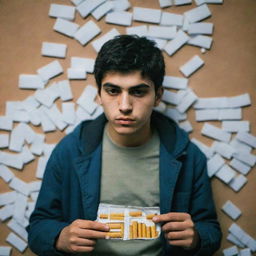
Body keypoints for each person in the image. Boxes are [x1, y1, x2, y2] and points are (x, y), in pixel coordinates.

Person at [27, 35, 222, 256]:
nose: (125, 106)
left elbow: (211, 230)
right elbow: (38, 227)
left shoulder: (187, 155)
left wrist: (196, 238)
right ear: (99, 94)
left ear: (158, 96)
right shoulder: (71, 150)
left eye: (138, 92)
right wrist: (60, 237)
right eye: (113, 91)